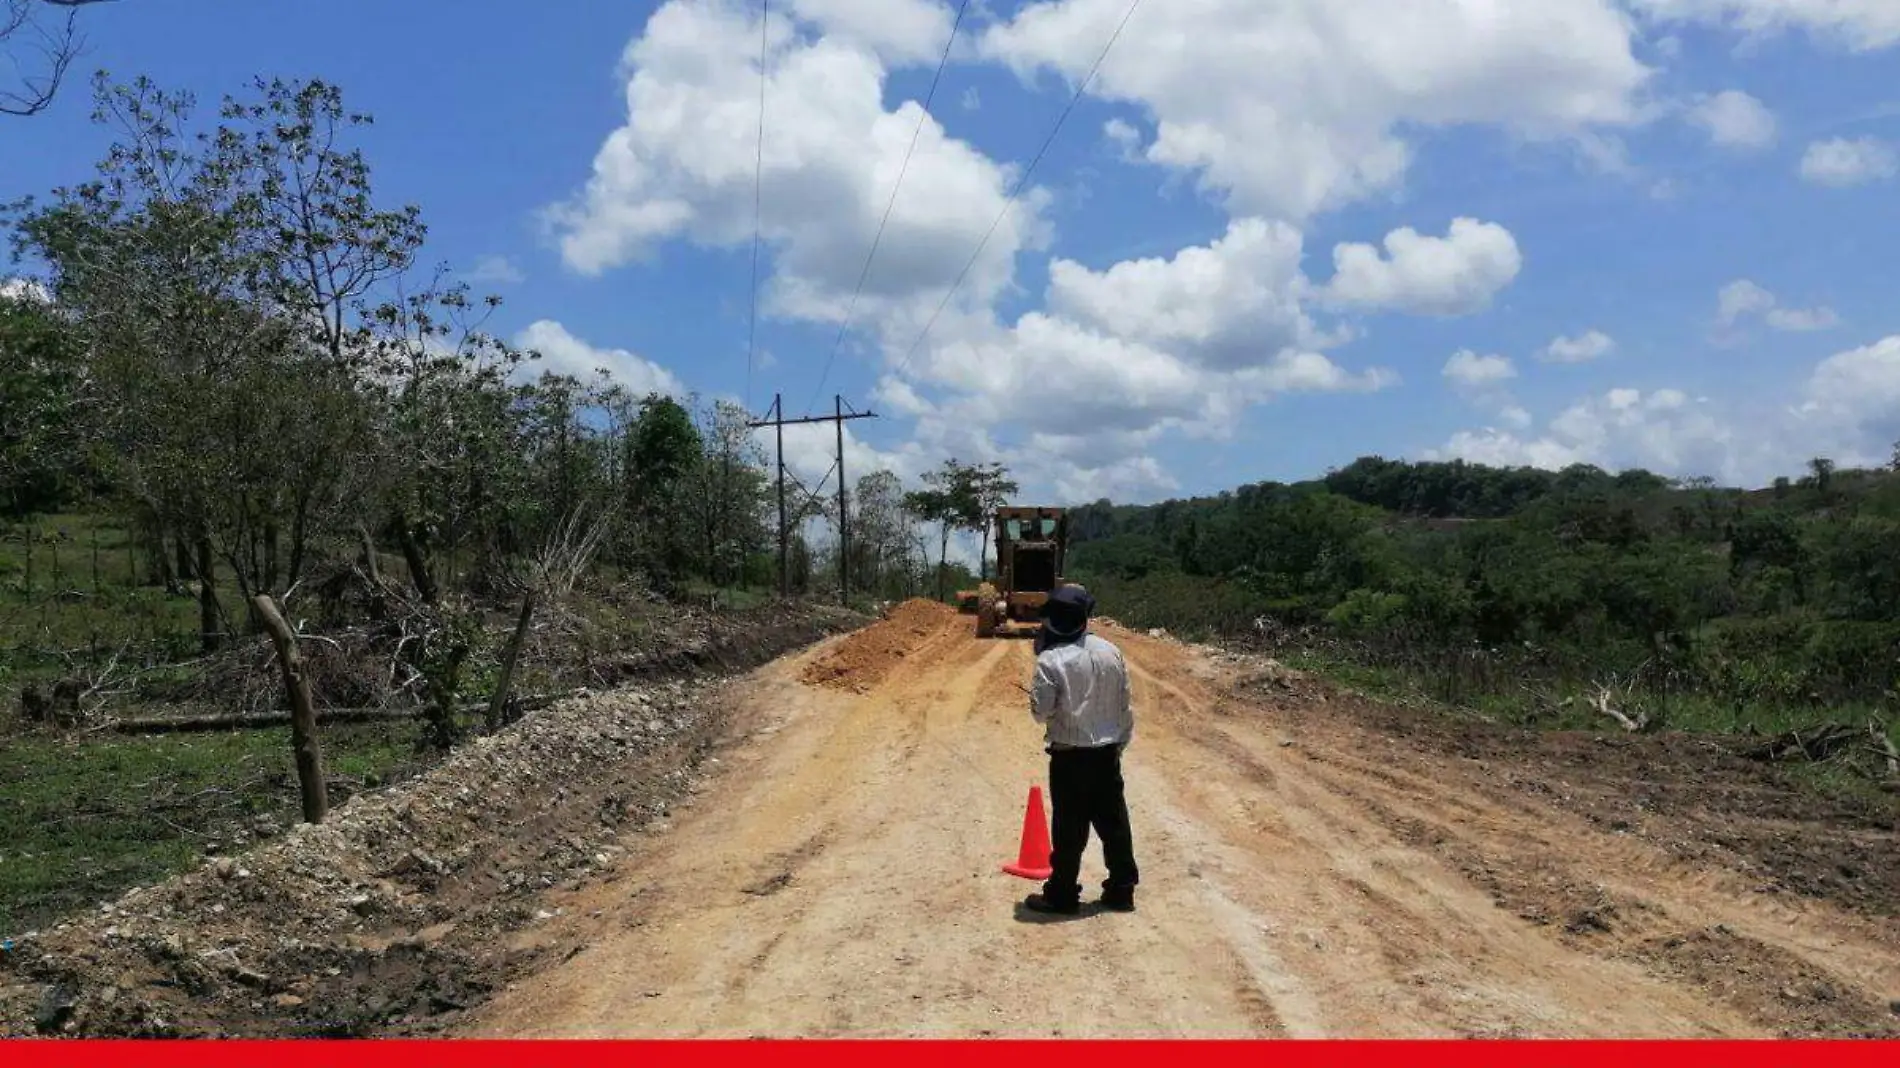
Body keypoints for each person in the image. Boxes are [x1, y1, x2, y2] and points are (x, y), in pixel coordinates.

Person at [1022, 584, 1139, 915]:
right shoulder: (1110, 651)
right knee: (1114, 824)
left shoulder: (1050, 660)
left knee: (1069, 829)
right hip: (1106, 753)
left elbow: (1040, 712)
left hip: (1069, 756)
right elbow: (1124, 706)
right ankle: (1121, 890)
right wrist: (1119, 744)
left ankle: (1062, 894)